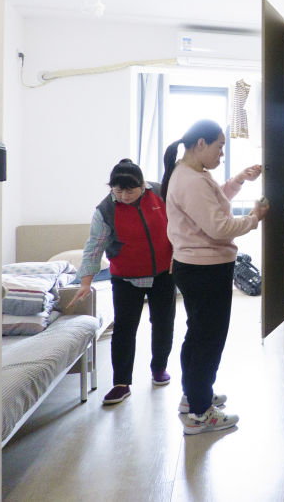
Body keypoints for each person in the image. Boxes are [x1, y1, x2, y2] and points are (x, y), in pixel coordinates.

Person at [160, 119, 268, 435]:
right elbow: (218, 226)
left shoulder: (190, 174)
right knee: (208, 339)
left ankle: (194, 396)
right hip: (204, 269)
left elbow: (212, 201)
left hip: (196, 267)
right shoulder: (191, 180)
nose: (222, 154)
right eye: (220, 147)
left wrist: (238, 180)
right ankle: (200, 413)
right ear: (200, 144)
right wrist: (253, 218)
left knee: (198, 335)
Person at [69, 159, 176, 405]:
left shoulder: (160, 193)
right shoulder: (106, 209)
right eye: (118, 190)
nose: (124, 196)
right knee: (125, 329)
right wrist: (86, 281)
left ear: (142, 185)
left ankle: (159, 368)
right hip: (126, 277)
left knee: (163, 323)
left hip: (163, 273)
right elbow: (94, 246)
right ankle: (121, 383)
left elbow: (179, 226)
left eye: (130, 190)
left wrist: (178, 255)